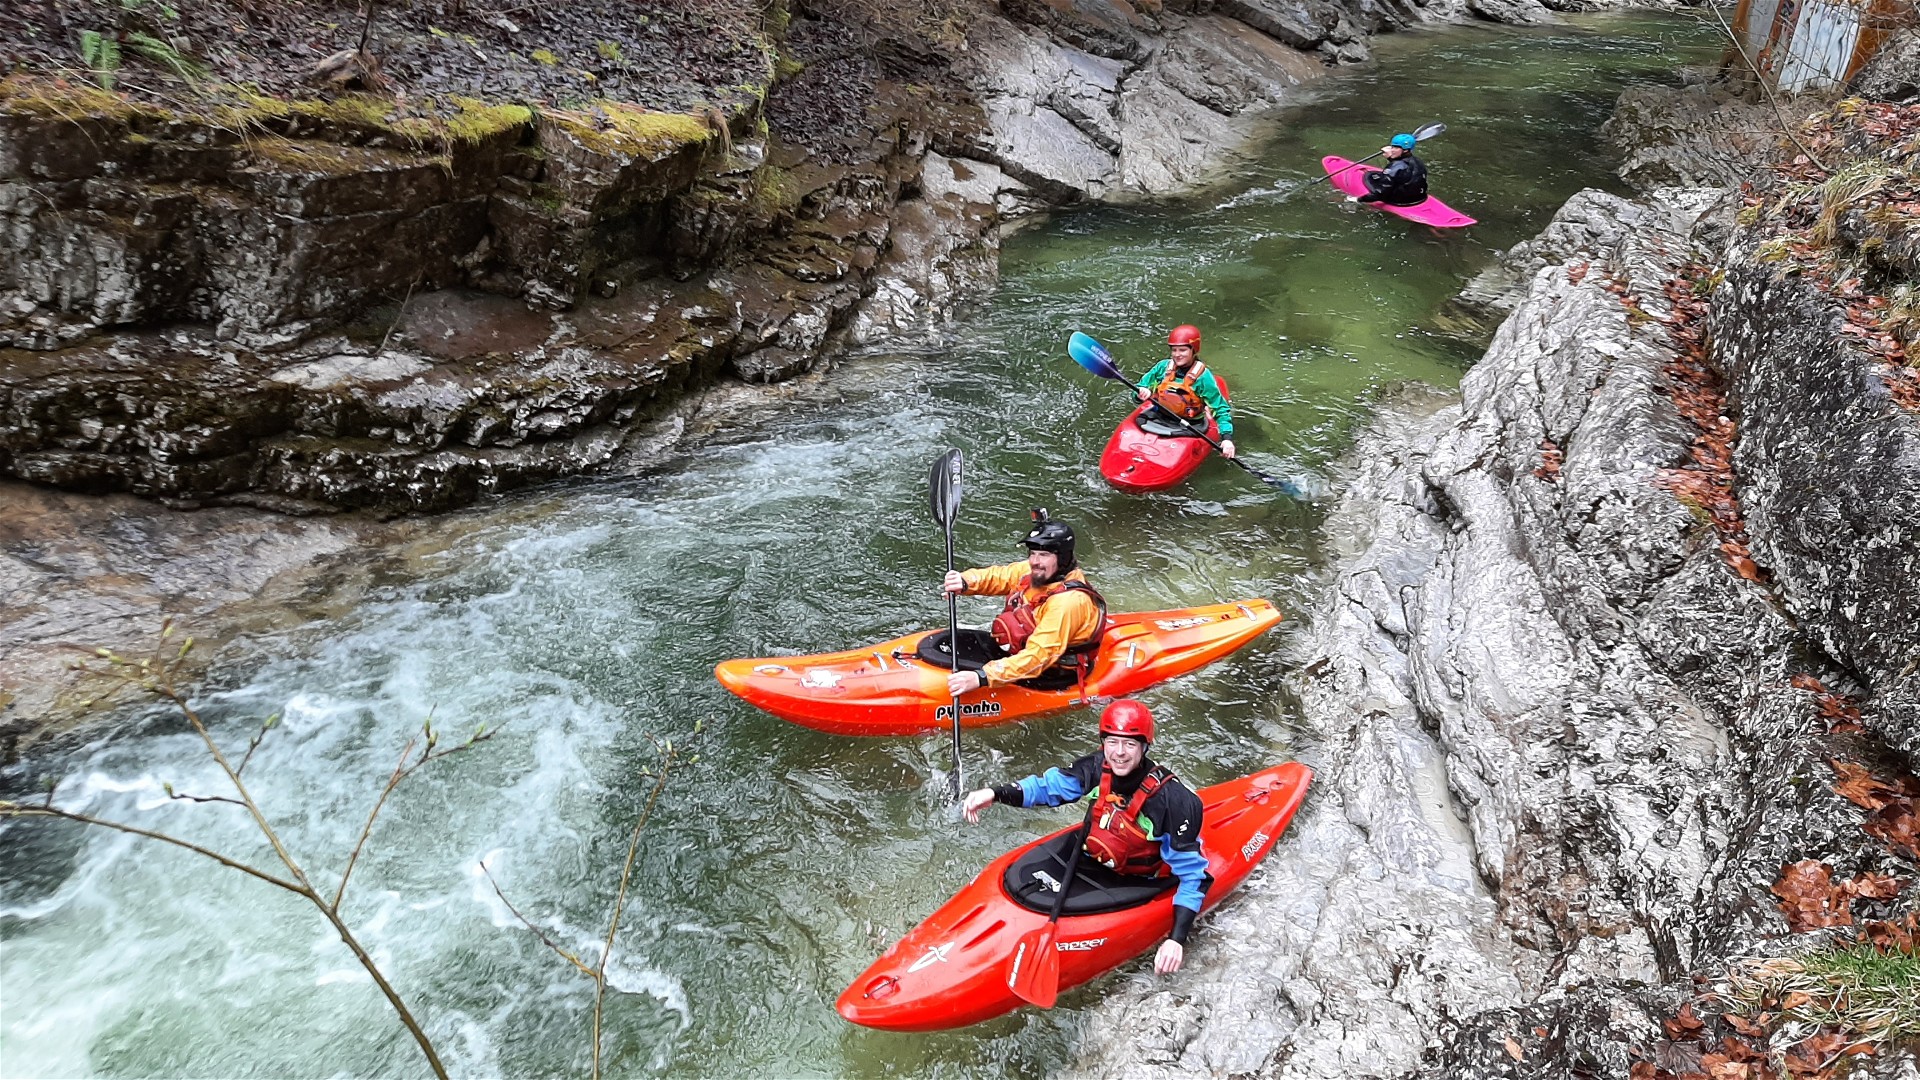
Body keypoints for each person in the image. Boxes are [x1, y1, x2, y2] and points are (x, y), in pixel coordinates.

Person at [962, 700, 1208, 974]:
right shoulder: (1095, 767)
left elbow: (1194, 876)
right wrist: (995, 794)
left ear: (1144, 747)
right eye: (1112, 742)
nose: (1119, 753)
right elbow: (1047, 789)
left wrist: (1176, 939)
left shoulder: (1172, 802)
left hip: (1137, 880)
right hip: (1095, 855)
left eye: (1130, 744)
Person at [941, 510, 1107, 697]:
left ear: (1062, 558)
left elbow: (1038, 657)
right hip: (1025, 652)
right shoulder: (1037, 572)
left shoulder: (1068, 603)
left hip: (1052, 672)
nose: (1035, 562)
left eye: (1043, 555)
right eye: (1032, 553)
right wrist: (965, 581)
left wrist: (981, 677)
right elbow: (1001, 576)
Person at [1133, 324, 1235, 459]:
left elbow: (1221, 409)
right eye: (1174, 350)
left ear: (1193, 350)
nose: (1177, 355)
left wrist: (1227, 439)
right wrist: (1141, 393)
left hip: (1189, 425)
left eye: (1182, 350)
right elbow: (1137, 392)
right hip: (1158, 416)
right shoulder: (1162, 367)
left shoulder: (1203, 378)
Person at [1346, 133, 1428, 208]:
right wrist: (1390, 157)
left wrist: (1358, 200)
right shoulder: (1417, 161)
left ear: (1405, 150)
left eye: (1395, 147)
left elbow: (1380, 194)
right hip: (1420, 197)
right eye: (1392, 146)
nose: (1391, 150)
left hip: (1400, 201)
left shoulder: (1394, 168)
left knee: (1372, 180)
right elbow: (1403, 170)